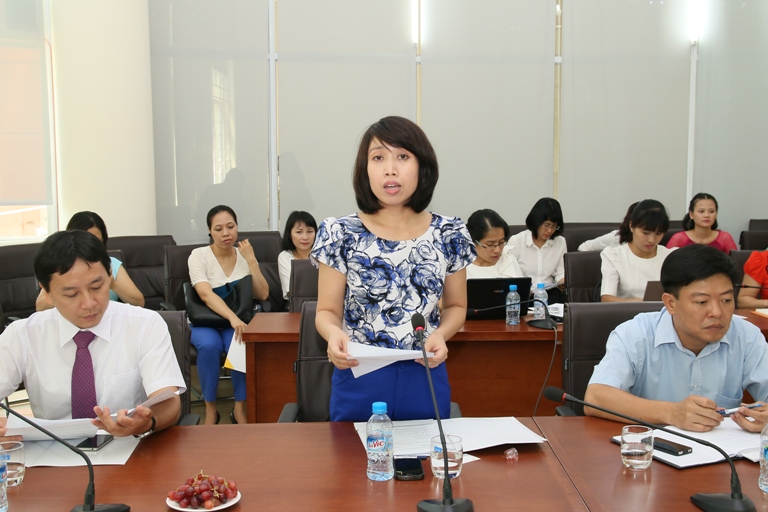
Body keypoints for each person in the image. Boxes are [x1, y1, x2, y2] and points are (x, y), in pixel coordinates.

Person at [312, 116, 475, 422]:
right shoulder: (339, 233)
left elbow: (456, 306)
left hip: (425, 372)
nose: (390, 169)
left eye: (402, 156)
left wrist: (442, 334)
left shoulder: (449, 232)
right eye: (378, 158)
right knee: (352, 454)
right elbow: (326, 311)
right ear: (365, 169)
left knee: (428, 453)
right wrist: (333, 334)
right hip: (359, 374)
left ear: (422, 166)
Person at [0, 230, 185, 441]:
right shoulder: (23, 335)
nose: (89, 303)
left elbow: (169, 403)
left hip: (130, 448)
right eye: (71, 294)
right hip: (52, 452)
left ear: (110, 275)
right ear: (46, 291)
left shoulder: (145, 324)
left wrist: (146, 422)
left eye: (97, 287)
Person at [584, 244, 768, 433]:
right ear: (671, 303)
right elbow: (596, 397)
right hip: (651, 447)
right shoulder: (635, 335)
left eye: (726, 300)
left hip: (724, 449)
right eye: (702, 302)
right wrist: (671, 413)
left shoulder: (747, 338)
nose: (717, 312)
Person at [189, 205, 269, 425]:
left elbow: (262, 293)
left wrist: (251, 261)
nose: (226, 233)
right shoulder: (198, 255)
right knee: (208, 346)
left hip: (235, 321)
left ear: (237, 227)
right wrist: (232, 318)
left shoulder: (244, 255)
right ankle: (211, 409)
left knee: (241, 343)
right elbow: (205, 294)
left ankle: (239, 408)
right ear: (209, 231)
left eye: (230, 226)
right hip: (205, 321)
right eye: (218, 229)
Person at [36, 211, 145, 310]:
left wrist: (112, 283)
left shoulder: (112, 264)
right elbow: (40, 307)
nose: (90, 246)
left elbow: (139, 302)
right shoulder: (59, 266)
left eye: (97, 241)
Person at [600, 199, 674, 302]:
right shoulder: (614, 256)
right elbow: (606, 299)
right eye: (645, 233)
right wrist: (642, 303)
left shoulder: (671, 256)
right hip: (628, 311)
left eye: (658, 234)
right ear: (631, 226)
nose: (652, 240)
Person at [508, 197, 565, 302]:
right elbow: (509, 273)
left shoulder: (560, 242)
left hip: (549, 293)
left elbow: (560, 271)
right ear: (536, 221)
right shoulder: (516, 241)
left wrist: (563, 280)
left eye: (554, 226)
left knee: (557, 296)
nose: (549, 230)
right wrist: (524, 289)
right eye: (546, 225)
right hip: (523, 295)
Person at [666, 193, 737, 253]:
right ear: (691, 214)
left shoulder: (725, 238)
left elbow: (736, 262)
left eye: (711, 211)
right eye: (701, 211)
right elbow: (666, 262)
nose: (707, 215)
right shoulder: (679, 239)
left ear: (716, 214)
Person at [465, 209, 522, 279]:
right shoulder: (460, 266)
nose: (498, 250)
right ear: (473, 241)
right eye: (490, 244)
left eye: (501, 242)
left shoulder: (509, 260)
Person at [278, 211, 318, 300]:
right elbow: (291, 291)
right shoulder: (285, 256)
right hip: (297, 304)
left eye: (309, 231)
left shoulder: (323, 255)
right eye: (299, 232)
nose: (305, 237)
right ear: (290, 234)